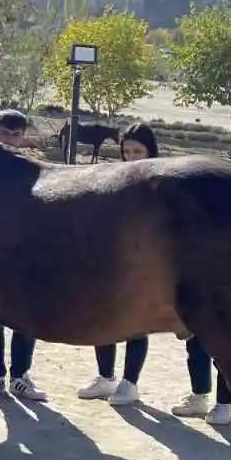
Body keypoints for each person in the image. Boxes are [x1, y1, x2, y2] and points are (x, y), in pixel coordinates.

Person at [80, 122, 159, 404]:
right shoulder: (112, 177)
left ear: (151, 151)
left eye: (138, 151)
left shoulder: (160, 181)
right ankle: (105, 377)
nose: (131, 157)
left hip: (143, 263)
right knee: (103, 317)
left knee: (135, 323)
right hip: (110, 260)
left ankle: (130, 382)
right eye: (126, 151)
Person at [0, 110, 46, 400]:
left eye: (15, 135)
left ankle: (20, 375)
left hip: (24, 254)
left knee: (26, 315)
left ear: (23, 138)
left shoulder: (31, 169)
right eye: (3, 133)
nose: (8, 140)